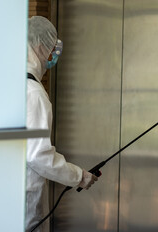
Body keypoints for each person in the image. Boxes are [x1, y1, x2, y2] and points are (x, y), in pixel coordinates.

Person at [26, 16, 98, 232]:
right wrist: (79, 176)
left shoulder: (4, 83)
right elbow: (37, 155)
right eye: (51, 50)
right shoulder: (33, 93)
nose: (52, 58)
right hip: (25, 200)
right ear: (39, 47)